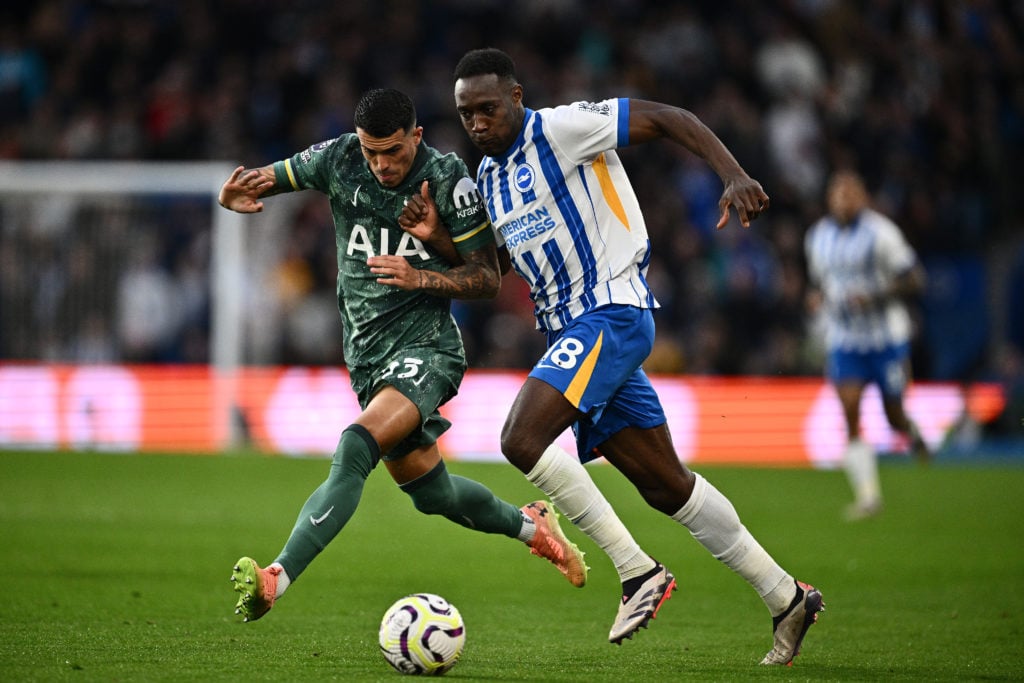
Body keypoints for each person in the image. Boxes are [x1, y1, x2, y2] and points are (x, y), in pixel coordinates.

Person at [400, 48, 822, 665]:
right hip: (571, 331)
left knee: (520, 439)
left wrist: (731, 172)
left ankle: (635, 572)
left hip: (612, 312)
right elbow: (492, 273)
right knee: (666, 486)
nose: (478, 123)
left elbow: (669, 117)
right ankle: (787, 597)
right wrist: (436, 238)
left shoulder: (564, 127)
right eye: (466, 114)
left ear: (516, 98)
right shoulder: (489, 179)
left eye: (488, 109)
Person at [217, 87, 587, 623]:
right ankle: (533, 526)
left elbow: (486, 278)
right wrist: (236, 195)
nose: (381, 164)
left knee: (355, 447)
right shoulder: (340, 157)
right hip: (367, 359)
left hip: (427, 349)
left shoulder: (449, 180)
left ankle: (277, 577)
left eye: (393, 151)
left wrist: (419, 275)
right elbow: (270, 179)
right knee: (433, 494)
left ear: (416, 135)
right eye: (372, 152)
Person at [805, 169, 930, 520]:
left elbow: (915, 279)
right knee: (849, 410)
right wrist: (814, 299)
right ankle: (868, 496)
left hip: (885, 339)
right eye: (837, 194)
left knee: (893, 416)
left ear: (862, 197)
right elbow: (819, 284)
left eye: (850, 194)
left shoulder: (882, 233)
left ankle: (913, 432)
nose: (843, 201)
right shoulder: (817, 237)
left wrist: (875, 296)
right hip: (845, 340)